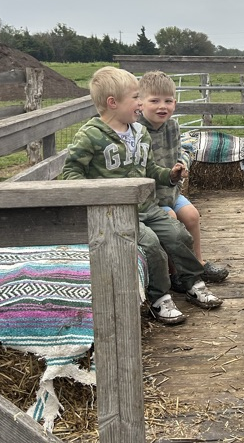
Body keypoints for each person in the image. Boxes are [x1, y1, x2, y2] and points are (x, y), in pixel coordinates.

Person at [59, 67, 223, 325]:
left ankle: (193, 282)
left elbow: (149, 170)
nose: (139, 103)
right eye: (135, 98)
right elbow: (70, 172)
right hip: (116, 212)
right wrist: (95, 195)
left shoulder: (139, 132)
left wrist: (170, 174)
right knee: (152, 246)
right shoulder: (90, 135)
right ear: (113, 103)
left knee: (179, 235)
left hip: (147, 206)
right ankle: (159, 298)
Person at [138, 71, 229, 284]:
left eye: (168, 101)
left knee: (191, 215)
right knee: (171, 218)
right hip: (150, 198)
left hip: (171, 189)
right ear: (140, 103)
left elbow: (181, 152)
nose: (162, 106)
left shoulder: (173, 126)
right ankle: (175, 272)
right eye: (154, 100)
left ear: (175, 103)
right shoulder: (137, 130)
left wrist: (182, 165)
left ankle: (198, 263)